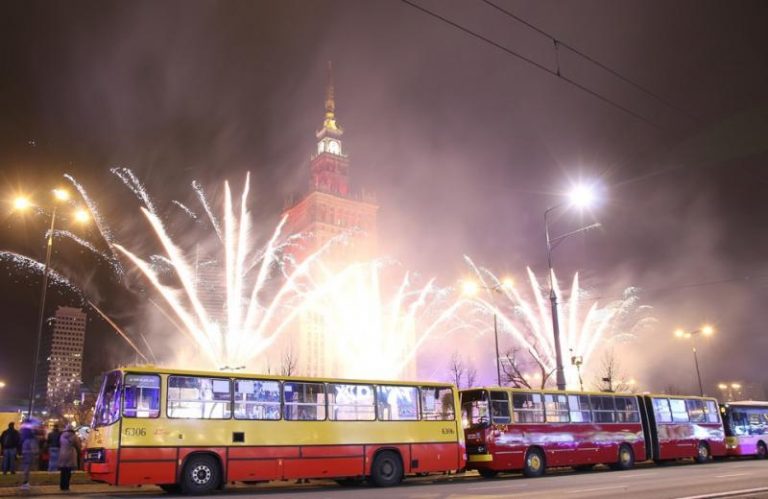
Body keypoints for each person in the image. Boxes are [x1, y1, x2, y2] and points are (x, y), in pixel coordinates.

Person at [57, 424, 81, 491]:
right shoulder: (74, 436)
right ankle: (66, 486)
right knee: (68, 472)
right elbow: (78, 446)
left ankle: (62, 486)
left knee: (63, 471)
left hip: (62, 454)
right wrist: (80, 452)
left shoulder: (62, 436)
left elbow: (60, 444)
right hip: (70, 455)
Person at [19, 420, 40, 489]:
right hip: (29, 455)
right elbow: (33, 448)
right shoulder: (31, 439)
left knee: (26, 469)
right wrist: (36, 453)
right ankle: (26, 483)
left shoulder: (24, 438)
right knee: (28, 469)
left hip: (25, 454)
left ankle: (25, 482)